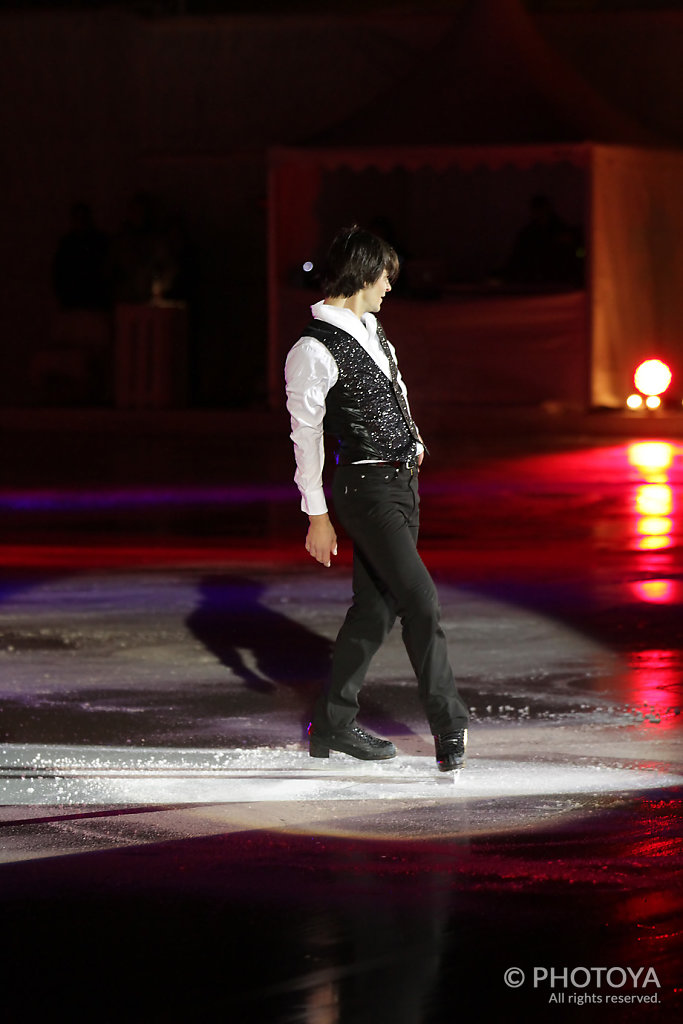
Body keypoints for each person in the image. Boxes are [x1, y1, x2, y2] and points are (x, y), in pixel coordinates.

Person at [285, 225, 469, 772]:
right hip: (366, 490)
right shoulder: (312, 348)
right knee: (421, 600)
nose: (390, 286)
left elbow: (395, 389)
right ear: (364, 273)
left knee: (374, 609)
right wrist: (316, 514)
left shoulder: (372, 328)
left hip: (401, 485)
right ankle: (449, 723)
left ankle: (334, 726)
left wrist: (413, 438)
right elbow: (306, 434)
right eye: (386, 275)